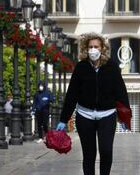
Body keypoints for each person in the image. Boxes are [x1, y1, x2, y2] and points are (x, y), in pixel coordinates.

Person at [56, 32, 130, 175]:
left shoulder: (112, 67)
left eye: (96, 46)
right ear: (86, 49)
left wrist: (125, 116)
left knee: (106, 151)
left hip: (107, 115)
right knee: (89, 155)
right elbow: (72, 94)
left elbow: (121, 91)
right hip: (85, 115)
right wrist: (64, 119)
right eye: (90, 47)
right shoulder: (80, 67)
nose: (93, 50)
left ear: (102, 48)